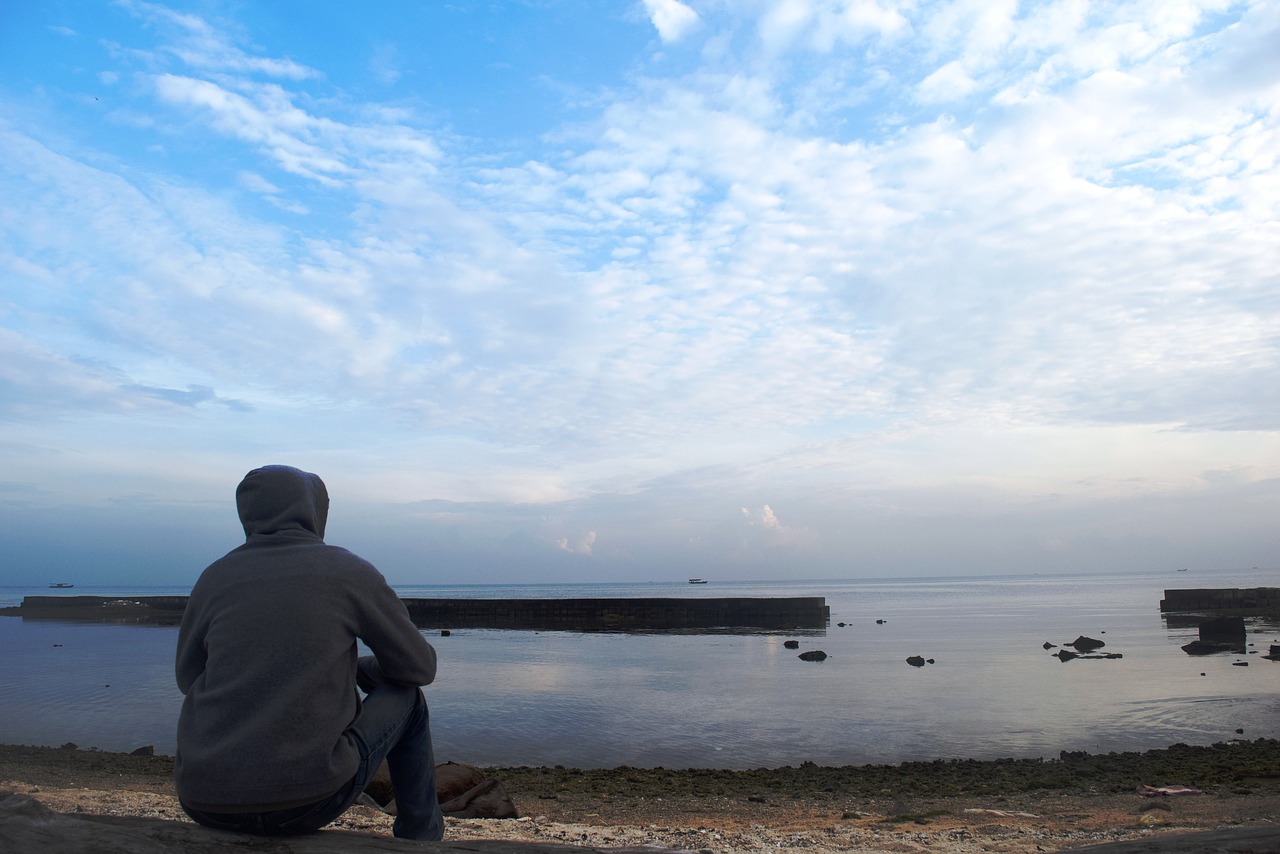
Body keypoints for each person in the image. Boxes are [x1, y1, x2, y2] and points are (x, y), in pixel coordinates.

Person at [174, 464, 444, 840]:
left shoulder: (214, 577)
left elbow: (188, 679)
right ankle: (421, 838)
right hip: (305, 801)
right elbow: (419, 668)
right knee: (408, 698)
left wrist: (344, 669)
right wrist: (369, 671)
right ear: (315, 510)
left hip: (203, 798)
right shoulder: (347, 571)